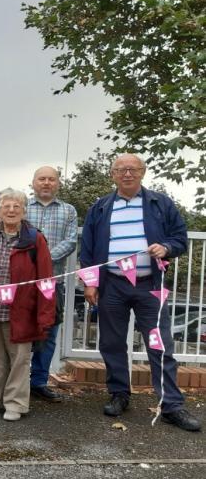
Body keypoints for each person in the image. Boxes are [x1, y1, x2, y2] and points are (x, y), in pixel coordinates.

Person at [80, 154, 200, 432]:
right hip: (112, 285)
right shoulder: (100, 208)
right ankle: (119, 394)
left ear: (143, 172)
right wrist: (90, 282)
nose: (127, 174)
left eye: (133, 169)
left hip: (150, 287)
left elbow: (180, 238)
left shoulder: (161, 203)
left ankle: (171, 405)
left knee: (160, 345)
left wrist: (166, 248)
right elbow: (87, 249)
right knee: (111, 342)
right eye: (121, 169)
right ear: (112, 174)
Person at [0, 189, 54, 422]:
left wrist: (44, 314)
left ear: (24, 211)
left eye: (17, 206)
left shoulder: (35, 239)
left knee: (19, 360)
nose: (11, 210)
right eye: (6, 206)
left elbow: (46, 280)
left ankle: (15, 404)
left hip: (22, 311)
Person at [26, 166, 78, 402]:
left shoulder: (68, 211)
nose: (46, 183)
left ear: (58, 183)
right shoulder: (21, 207)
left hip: (52, 282)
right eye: (41, 179)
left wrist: (44, 260)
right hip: (21, 283)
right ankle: (15, 381)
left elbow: (70, 242)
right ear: (33, 182)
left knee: (48, 333)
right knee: (18, 330)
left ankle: (38, 381)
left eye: (51, 179)